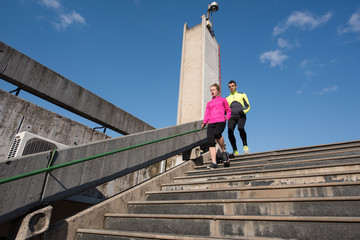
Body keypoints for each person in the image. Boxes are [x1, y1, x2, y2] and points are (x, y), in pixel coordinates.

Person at [201, 83, 232, 169]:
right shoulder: (209, 103)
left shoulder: (223, 100)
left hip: (221, 121)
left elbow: (228, 110)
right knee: (211, 141)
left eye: (214, 90)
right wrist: (204, 122)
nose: (212, 92)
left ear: (218, 91)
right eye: (211, 90)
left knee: (217, 133)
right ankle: (214, 163)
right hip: (211, 122)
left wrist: (227, 117)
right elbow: (207, 114)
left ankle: (223, 151)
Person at [226, 80, 250, 155]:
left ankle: (245, 146)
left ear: (236, 86)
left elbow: (248, 106)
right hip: (232, 117)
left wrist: (244, 111)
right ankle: (235, 150)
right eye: (230, 86)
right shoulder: (227, 99)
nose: (231, 87)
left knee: (240, 128)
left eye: (233, 86)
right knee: (230, 131)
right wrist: (226, 116)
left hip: (241, 115)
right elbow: (225, 110)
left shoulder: (242, 94)